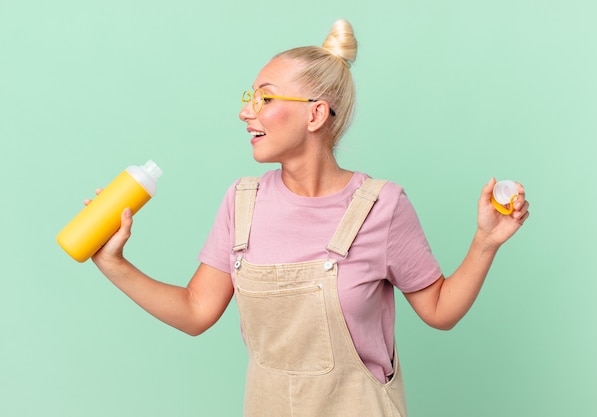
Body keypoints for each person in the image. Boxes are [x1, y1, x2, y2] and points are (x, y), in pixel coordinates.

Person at [89, 19, 530, 417]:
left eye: (264, 98)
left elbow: (439, 310)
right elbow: (196, 311)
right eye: (250, 98)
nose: (247, 111)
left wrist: (485, 243)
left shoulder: (382, 206)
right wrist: (113, 263)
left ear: (315, 113)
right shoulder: (241, 203)